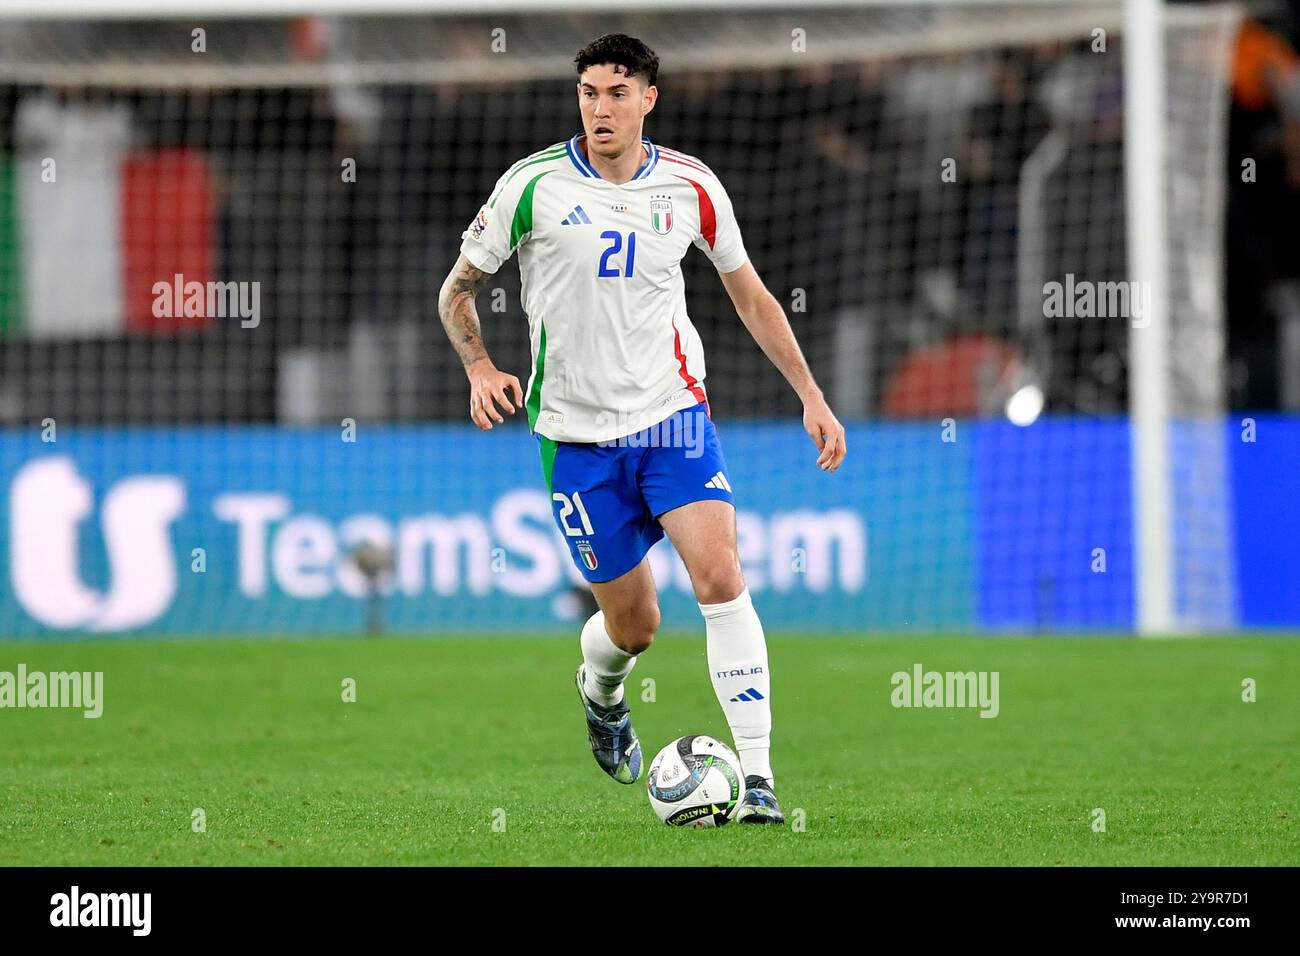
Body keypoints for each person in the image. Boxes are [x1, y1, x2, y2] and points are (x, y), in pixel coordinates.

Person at [437, 33, 846, 824]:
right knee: (636, 625)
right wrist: (480, 369)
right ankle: (601, 690)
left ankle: (759, 779)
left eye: (617, 92)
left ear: (647, 99)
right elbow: (457, 289)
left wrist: (811, 394)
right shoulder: (532, 185)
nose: (600, 108)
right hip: (576, 439)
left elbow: (753, 297)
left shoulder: (692, 185)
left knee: (721, 578)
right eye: (589, 93)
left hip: (673, 419)